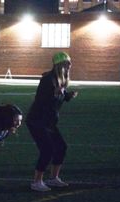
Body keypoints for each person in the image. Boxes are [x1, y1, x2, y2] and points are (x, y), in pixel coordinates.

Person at [26, 52, 78, 192]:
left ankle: (53, 178)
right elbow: (41, 100)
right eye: (68, 63)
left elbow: (60, 96)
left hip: (49, 121)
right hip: (38, 120)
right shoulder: (48, 79)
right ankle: (37, 182)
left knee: (61, 147)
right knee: (47, 149)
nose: (70, 65)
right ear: (60, 64)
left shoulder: (60, 79)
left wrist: (68, 95)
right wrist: (54, 94)